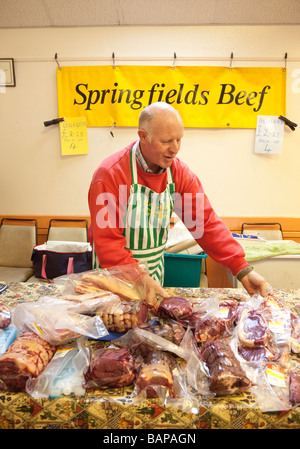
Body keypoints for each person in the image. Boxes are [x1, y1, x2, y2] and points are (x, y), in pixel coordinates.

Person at [88, 102, 268, 306]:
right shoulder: (111, 175)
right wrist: (139, 278)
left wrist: (242, 268)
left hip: (152, 277)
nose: (174, 149)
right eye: (166, 141)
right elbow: (108, 243)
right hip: (113, 279)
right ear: (143, 136)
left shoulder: (178, 175)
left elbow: (205, 225)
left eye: (179, 140)